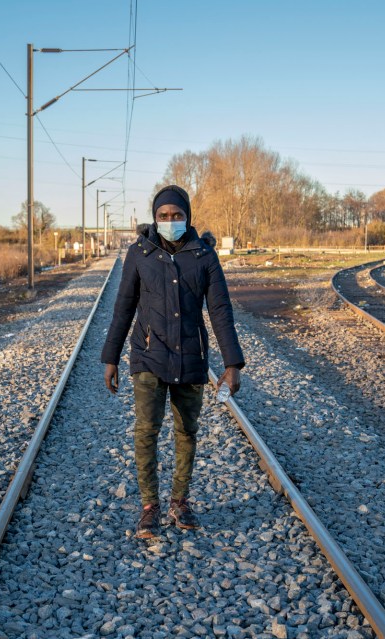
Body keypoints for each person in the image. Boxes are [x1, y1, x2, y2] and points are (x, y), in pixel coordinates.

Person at [101, 185, 245, 539]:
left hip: (191, 356)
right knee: (146, 432)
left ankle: (180, 500)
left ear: (187, 217)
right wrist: (111, 357)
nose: (170, 221)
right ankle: (149, 507)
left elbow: (221, 310)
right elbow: (123, 307)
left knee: (187, 432)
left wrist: (232, 364)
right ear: (155, 218)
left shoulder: (204, 256)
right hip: (148, 354)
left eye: (176, 216)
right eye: (163, 216)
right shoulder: (139, 253)